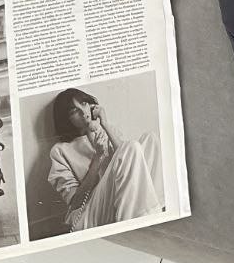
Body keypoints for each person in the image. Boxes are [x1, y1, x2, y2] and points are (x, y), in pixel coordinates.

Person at [46, 88, 162, 231]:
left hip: (119, 199)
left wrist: (105, 124)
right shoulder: (60, 150)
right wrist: (98, 158)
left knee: (151, 139)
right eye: (74, 111)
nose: (83, 112)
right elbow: (75, 202)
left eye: (84, 104)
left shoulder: (104, 131)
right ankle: (140, 221)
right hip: (89, 212)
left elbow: (129, 156)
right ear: (66, 119)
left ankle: (152, 211)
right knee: (131, 146)